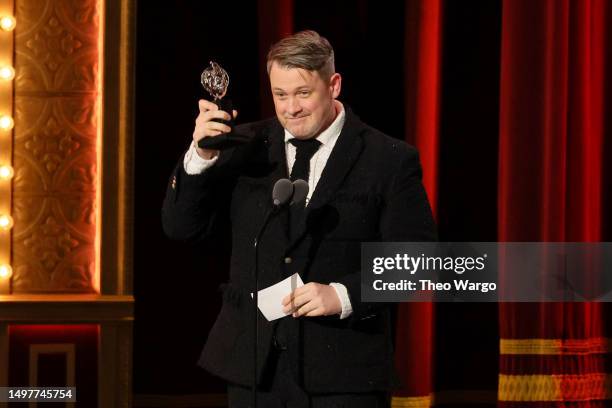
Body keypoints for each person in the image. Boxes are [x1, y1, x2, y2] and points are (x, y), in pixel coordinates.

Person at [162, 30, 436, 408]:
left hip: (343, 373)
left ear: (334, 85)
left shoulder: (388, 159)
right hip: (254, 370)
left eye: (303, 93)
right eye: (280, 94)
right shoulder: (243, 145)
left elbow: (419, 261)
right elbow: (180, 228)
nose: (291, 108)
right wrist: (199, 158)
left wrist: (342, 294)